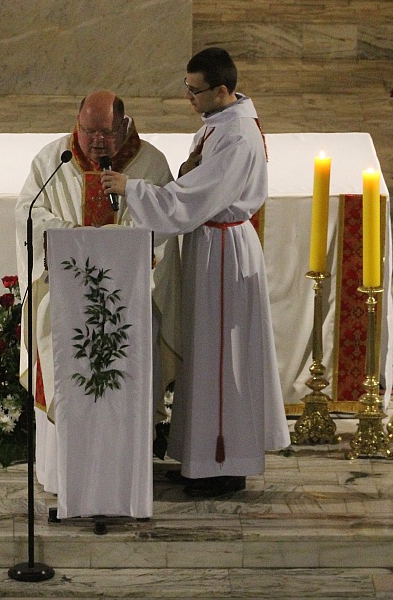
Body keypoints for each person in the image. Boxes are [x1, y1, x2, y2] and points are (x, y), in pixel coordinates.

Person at [102, 48, 290, 498]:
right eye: (186, 87)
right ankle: (201, 457)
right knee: (205, 354)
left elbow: (194, 197)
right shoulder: (220, 121)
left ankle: (224, 464)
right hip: (210, 245)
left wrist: (133, 189)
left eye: (195, 90)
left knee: (222, 357)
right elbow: (193, 182)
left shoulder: (237, 135)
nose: (188, 97)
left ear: (222, 90)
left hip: (224, 252)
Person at [15, 89, 181, 493]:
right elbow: (28, 214)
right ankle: (63, 476)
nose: (96, 141)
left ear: (123, 126)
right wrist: (75, 237)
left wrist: (114, 244)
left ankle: (124, 480)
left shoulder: (151, 164)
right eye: (88, 131)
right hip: (64, 299)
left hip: (132, 303)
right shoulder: (53, 161)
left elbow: (166, 224)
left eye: (105, 133)